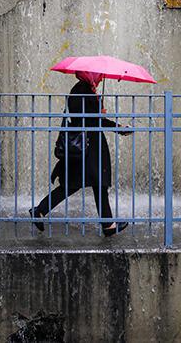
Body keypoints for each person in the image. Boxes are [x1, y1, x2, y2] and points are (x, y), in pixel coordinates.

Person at [29, 71, 132, 237]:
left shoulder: (85, 90)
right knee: (78, 184)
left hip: (89, 144)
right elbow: (86, 118)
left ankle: (108, 225)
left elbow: (92, 118)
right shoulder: (81, 90)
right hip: (87, 146)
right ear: (88, 75)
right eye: (98, 76)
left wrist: (111, 122)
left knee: (95, 184)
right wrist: (106, 119)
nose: (100, 79)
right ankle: (40, 210)